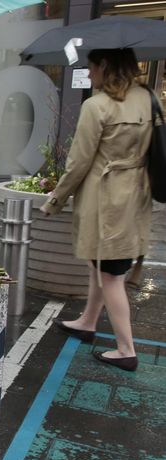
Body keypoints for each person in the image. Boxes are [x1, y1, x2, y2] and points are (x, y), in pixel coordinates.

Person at [42, 48, 152, 373]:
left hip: (105, 200)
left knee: (111, 275)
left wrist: (55, 200)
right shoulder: (147, 99)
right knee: (101, 266)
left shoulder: (97, 105)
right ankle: (88, 322)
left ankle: (126, 349)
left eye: (91, 69)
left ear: (104, 66)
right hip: (135, 195)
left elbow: (79, 162)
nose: (89, 75)